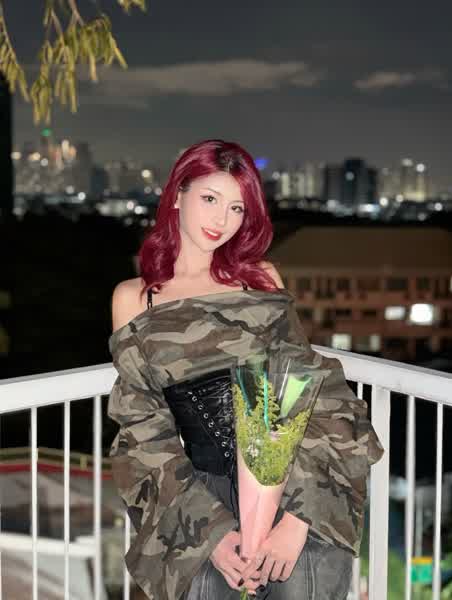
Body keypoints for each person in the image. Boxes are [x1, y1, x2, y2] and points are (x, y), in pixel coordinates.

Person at [107, 139, 384, 600]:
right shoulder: (135, 298)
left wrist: (298, 520)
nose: (222, 220)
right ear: (177, 195)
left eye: (236, 208)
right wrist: (209, 535)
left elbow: (316, 394)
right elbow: (143, 431)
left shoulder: (260, 280)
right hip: (200, 497)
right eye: (210, 199)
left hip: (294, 485)